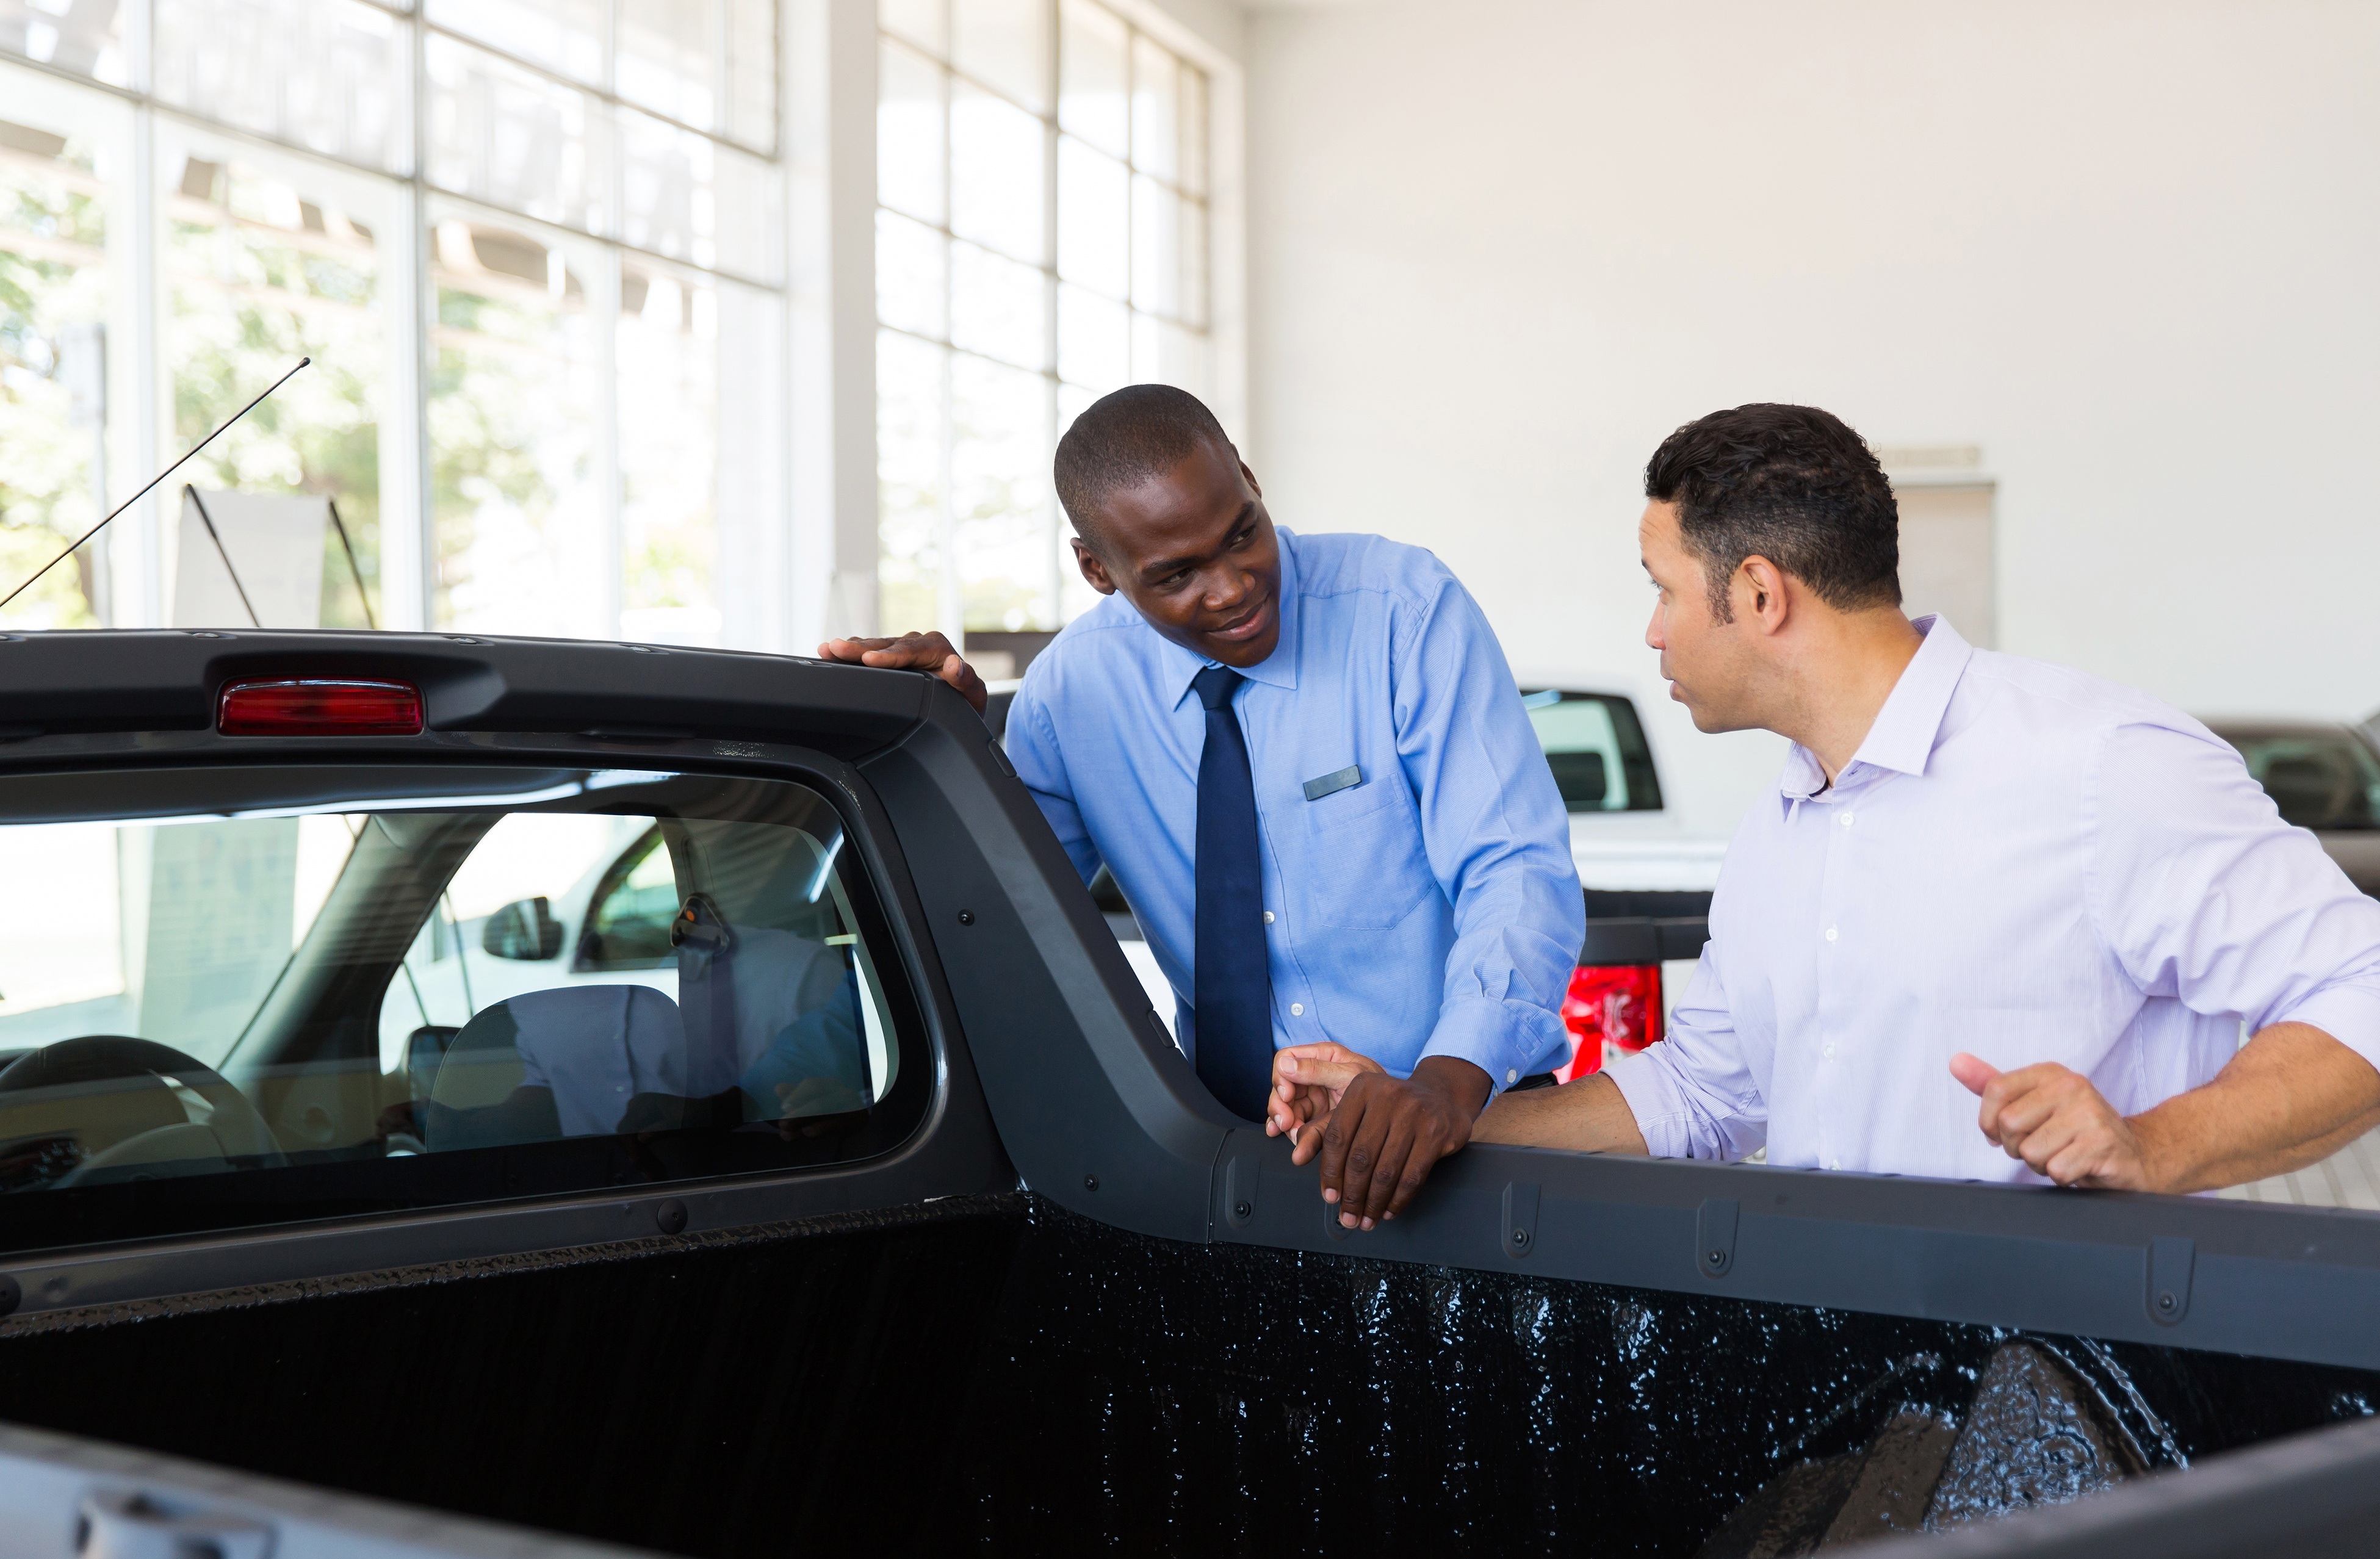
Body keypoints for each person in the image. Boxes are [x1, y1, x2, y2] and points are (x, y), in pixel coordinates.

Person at [1270, 403, 2380, 1227]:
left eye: (1661, 588)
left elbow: (2363, 995)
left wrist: (2151, 1145)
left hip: (2065, 1398)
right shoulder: (1782, 830)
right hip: (1837, 1380)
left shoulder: (2100, 767)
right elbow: (1702, 1094)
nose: (1652, 634)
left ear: (1760, 595)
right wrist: (1421, 1117)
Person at [820, 384, 1585, 1175]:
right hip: (1228, 1159)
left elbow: (1514, 866)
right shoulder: (1070, 697)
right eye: (1177, 574)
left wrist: (1446, 1084)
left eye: (1241, 535)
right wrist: (945, 743)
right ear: (1097, 569)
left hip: (1459, 1120)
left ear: (1249, 481)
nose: (1232, 588)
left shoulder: (1403, 610)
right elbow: (993, 917)